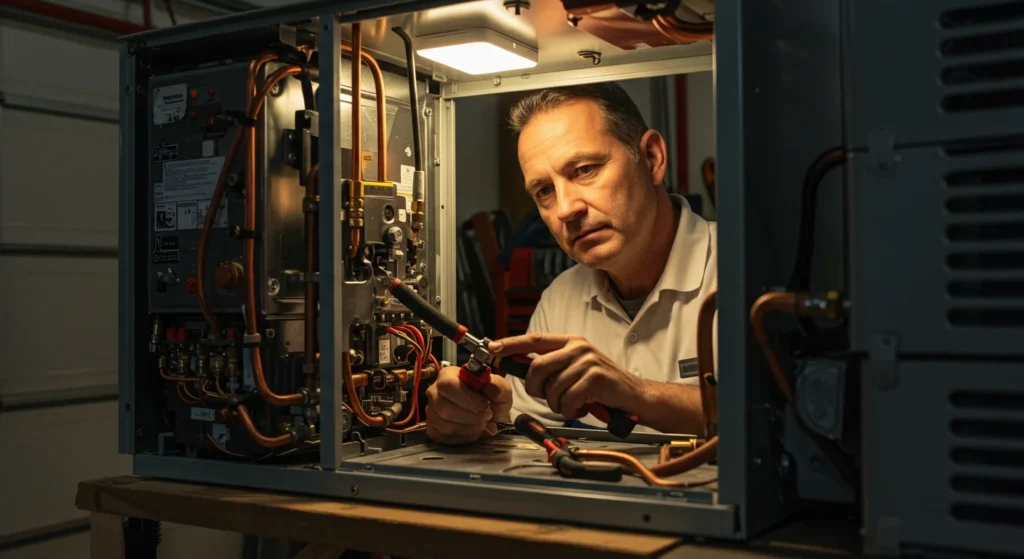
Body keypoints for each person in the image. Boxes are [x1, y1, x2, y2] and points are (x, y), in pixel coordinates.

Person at [426, 82, 718, 445]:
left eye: (584, 170)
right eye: (544, 191)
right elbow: (523, 424)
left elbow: (781, 412)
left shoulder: (741, 273)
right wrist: (479, 415)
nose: (565, 209)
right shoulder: (561, 298)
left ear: (652, 158)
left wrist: (637, 393)